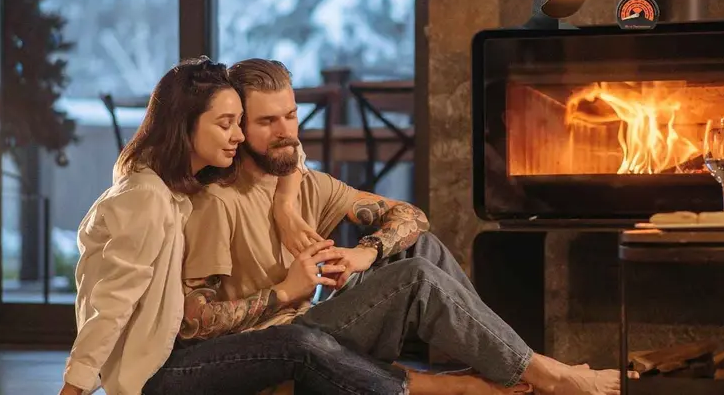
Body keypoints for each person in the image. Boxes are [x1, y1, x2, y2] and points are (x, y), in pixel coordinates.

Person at [182, 58, 636, 395]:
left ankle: (508, 372)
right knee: (415, 279)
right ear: (239, 125)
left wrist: (365, 253)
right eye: (267, 121)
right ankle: (547, 376)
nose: (287, 132)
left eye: (291, 115)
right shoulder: (217, 204)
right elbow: (195, 325)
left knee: (423, 251)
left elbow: (411, 217)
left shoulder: (304, 184)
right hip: (282, 357)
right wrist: (284, 290)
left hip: (323, 329)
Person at [58, 57, 441, 395]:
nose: (239, 137)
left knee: (423, 253)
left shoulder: (175, 186)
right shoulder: (148, 198)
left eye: (241, 123)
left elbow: (290, 148)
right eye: (227, 124)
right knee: (296, 342)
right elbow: (111, 305)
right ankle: (441, 386)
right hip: (155, 377)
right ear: (185, 127)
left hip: (178, 358)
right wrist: (74, 387)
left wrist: (285, 208)